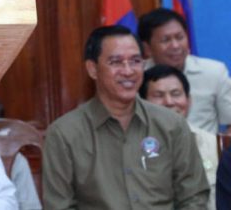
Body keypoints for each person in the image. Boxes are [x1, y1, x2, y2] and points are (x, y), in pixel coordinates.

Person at [43, 25, 209, 209]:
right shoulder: (64, 134)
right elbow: (59, 205)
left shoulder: (171, 124)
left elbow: (193, 197)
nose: (128, 71)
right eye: (116, 62)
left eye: (135, 61)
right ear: (92, 69)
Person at [138, 8, 231, 133]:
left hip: (202, 144)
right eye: (165, 40)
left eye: (180, 37)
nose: (175, 46)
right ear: (147, 48)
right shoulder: (137, 76)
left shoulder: (214, 72)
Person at [139, 64, 218, 210]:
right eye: (158, 95)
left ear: (189, 100)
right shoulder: (133, 145)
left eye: (176, 94)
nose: (169, 102)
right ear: (142, 103)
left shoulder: (212, 143)